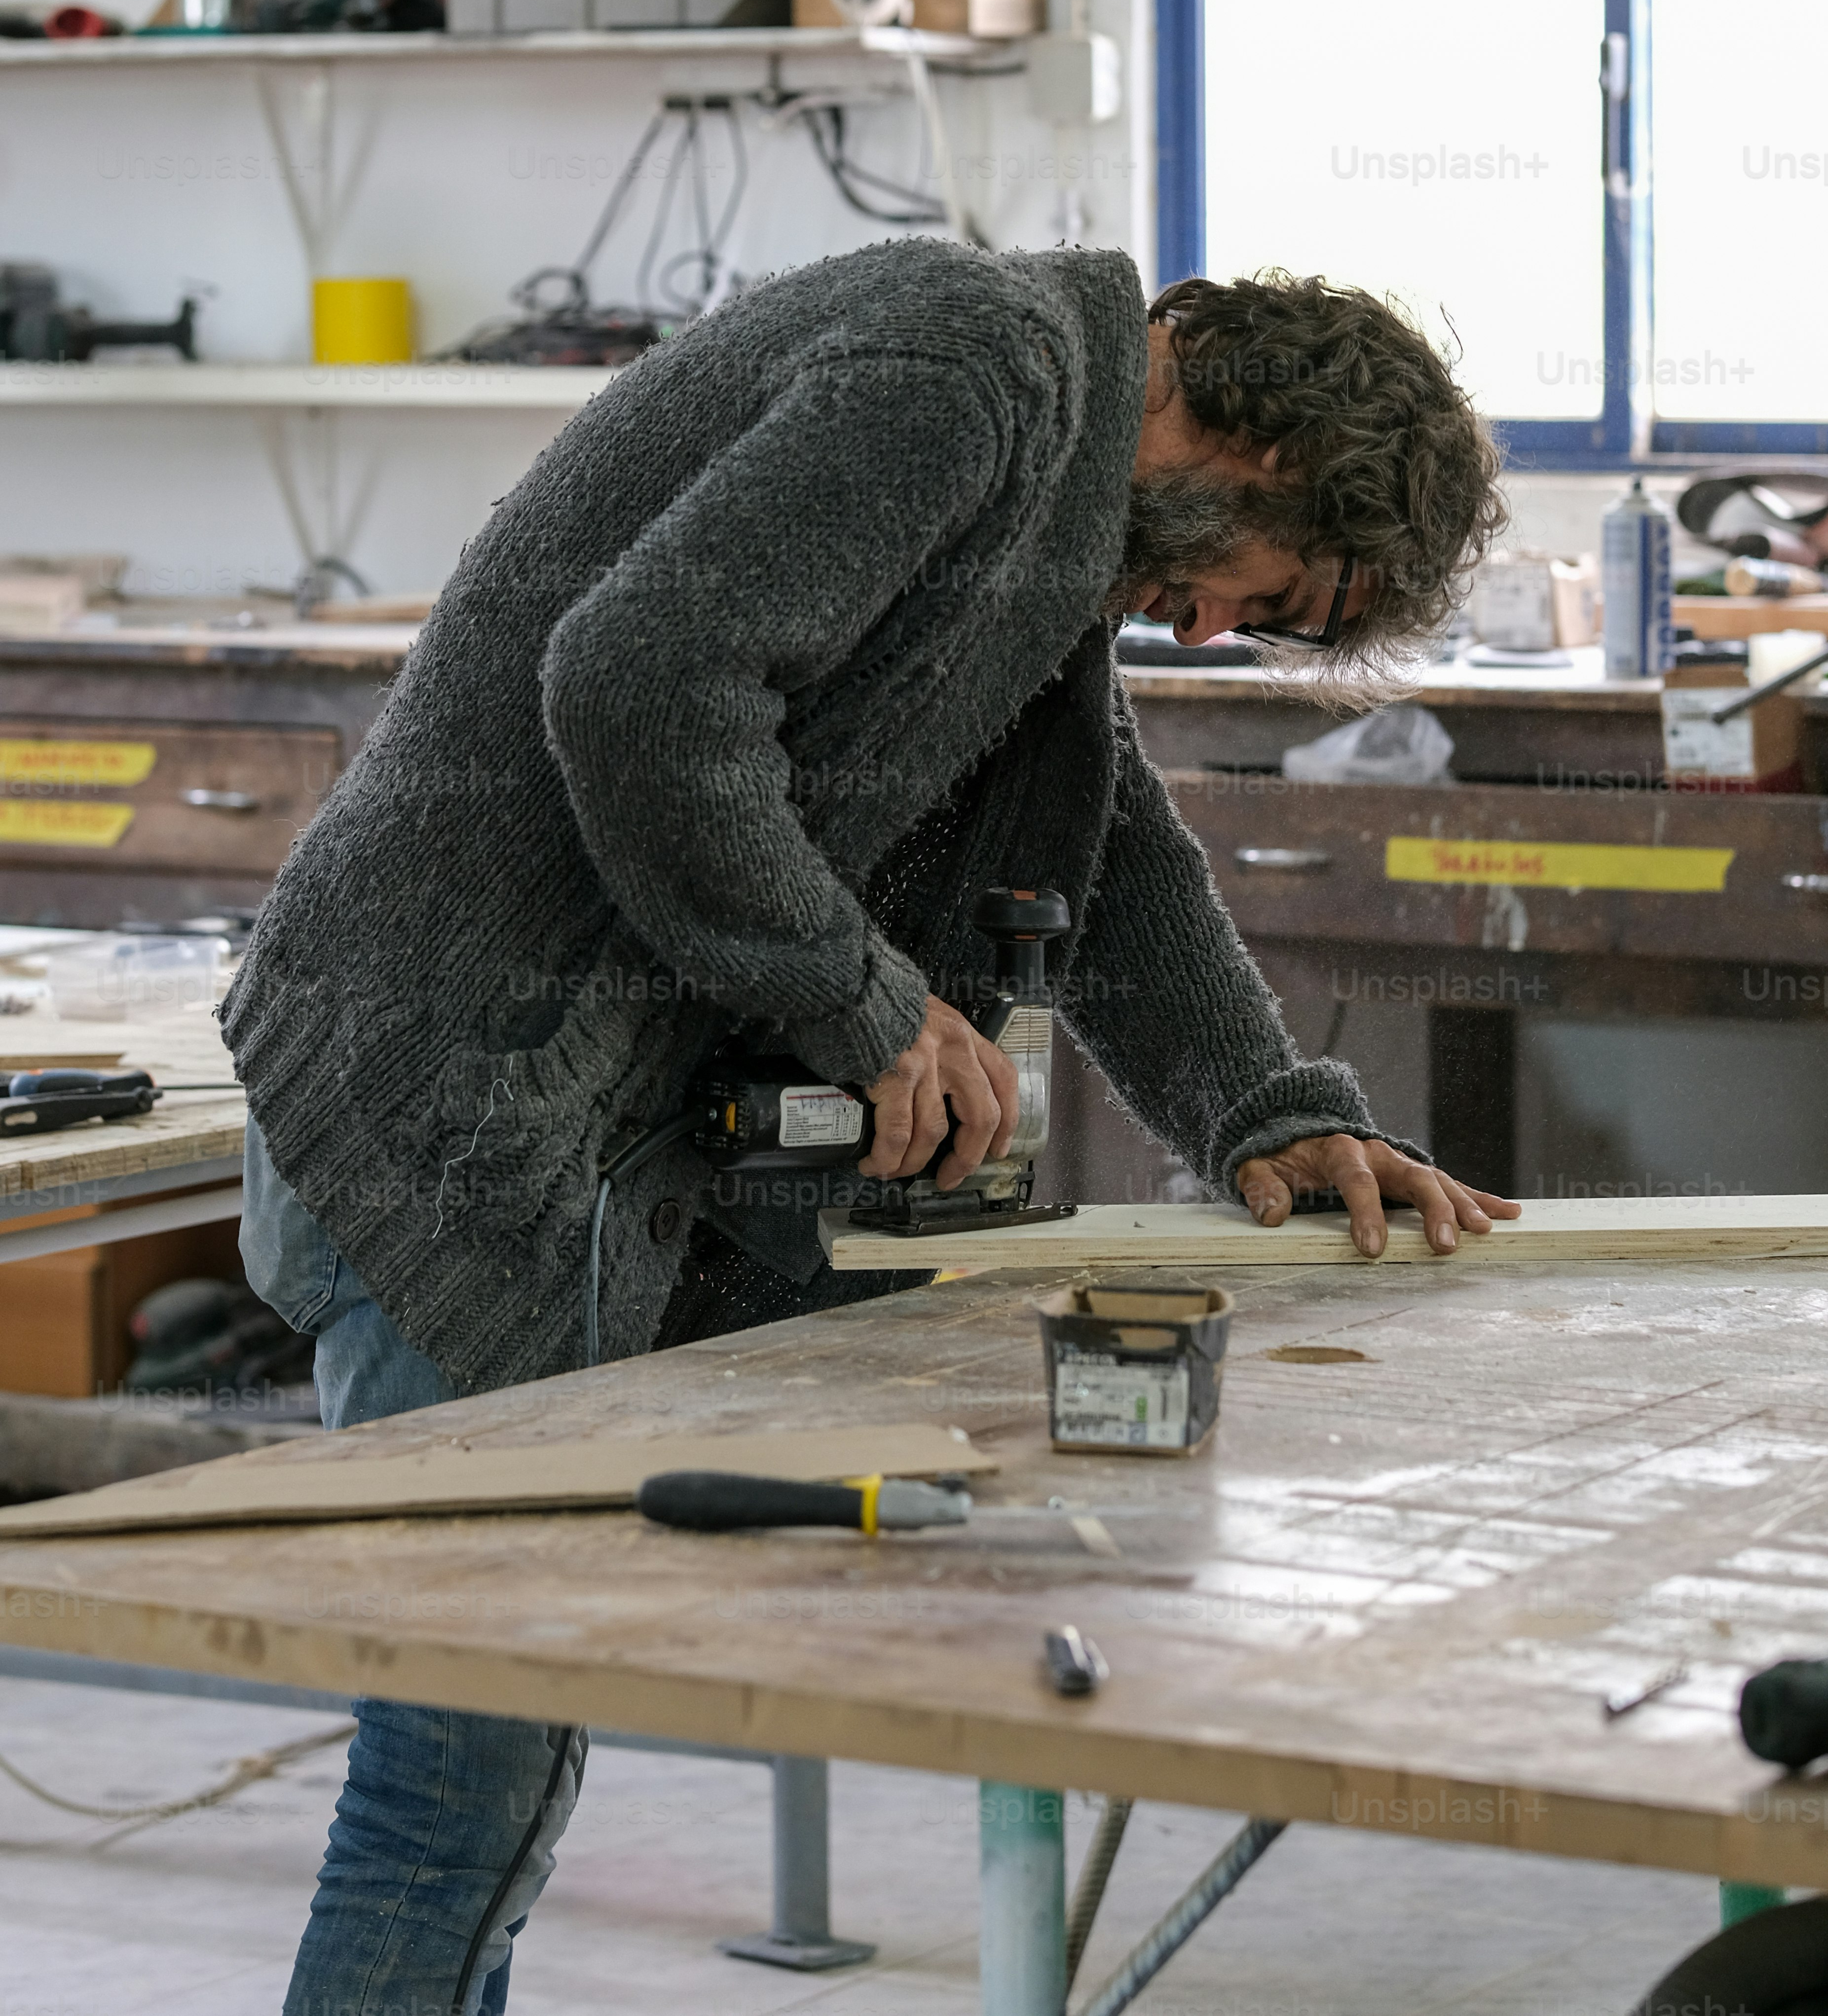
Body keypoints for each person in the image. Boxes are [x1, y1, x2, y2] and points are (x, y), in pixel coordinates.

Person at [230, 237, 1517, 2013]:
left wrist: (1260, 1108)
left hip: (554, 1108)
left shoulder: (1053, 470)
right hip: (441, 1088)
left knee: (507, 1742)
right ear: (1265, 436)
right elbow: (638, 679)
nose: (1209, 628)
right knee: (469, 1759)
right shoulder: (973, 374)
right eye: (1269, 593)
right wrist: (858, 995)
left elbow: (1101, 837)